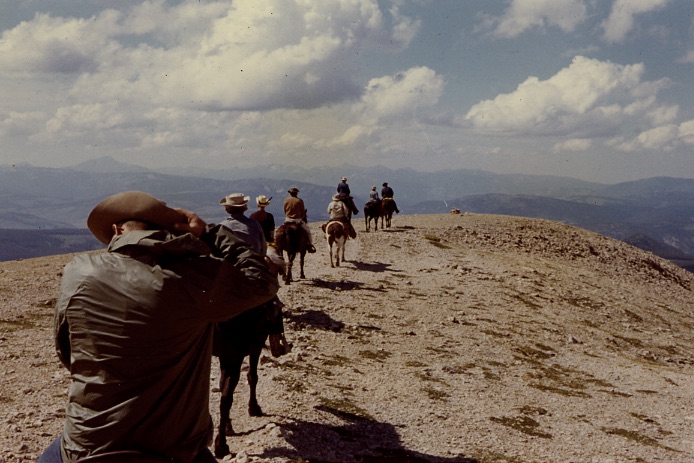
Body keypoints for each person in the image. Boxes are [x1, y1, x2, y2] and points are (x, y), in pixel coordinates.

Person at [38, 191, 279, 463]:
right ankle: (278, 338)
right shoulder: (196, 275)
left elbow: (67, 352)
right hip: (175, 449)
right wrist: (210, 233)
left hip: (89, 443)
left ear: (117, 230)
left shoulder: (78, 271)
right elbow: (263, 282)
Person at [282, 186, 316, 253]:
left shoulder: (286, 200)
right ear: (296, 194)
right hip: (297, 220)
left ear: (290, 193)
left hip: (288, 219)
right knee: (308, 231)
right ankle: (310, 245)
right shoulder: (299, 201)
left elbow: (285, 211)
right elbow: (303, 212)